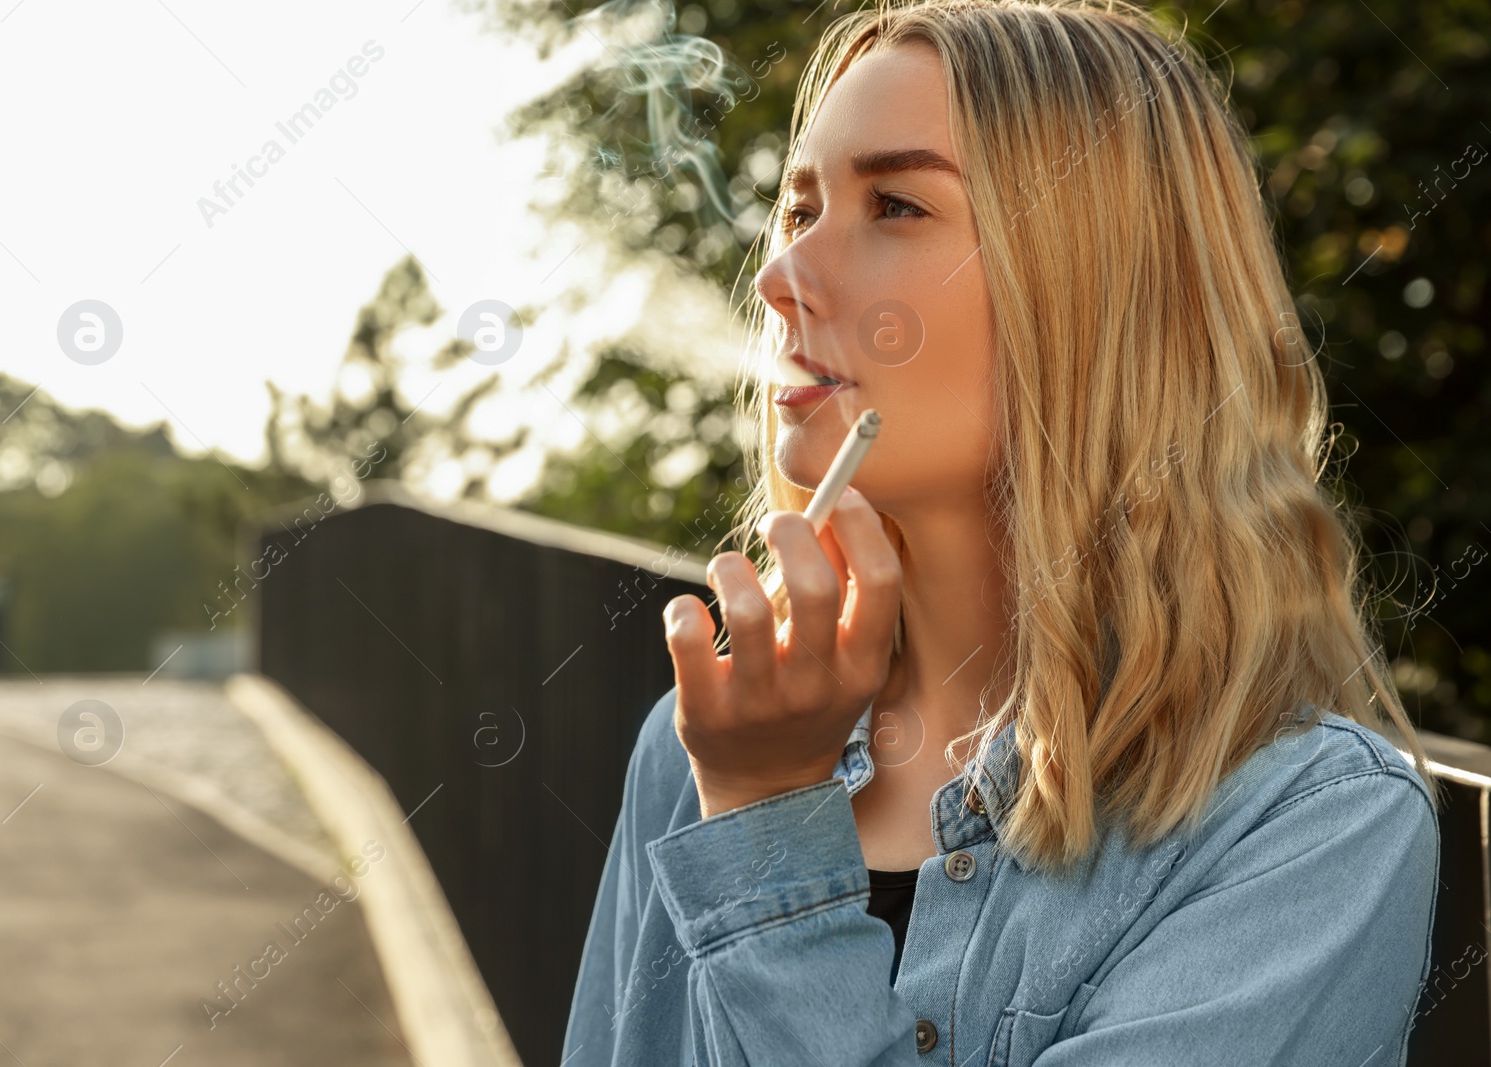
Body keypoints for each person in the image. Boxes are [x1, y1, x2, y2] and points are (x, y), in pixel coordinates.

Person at [562, 1, 1442, 1063]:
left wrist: (763, 831)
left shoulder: (1305, 829)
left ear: (1097, 281)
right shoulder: (694, 745)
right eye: (800, 211)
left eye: (892, 205)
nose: (780, 279)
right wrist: (747, 789)